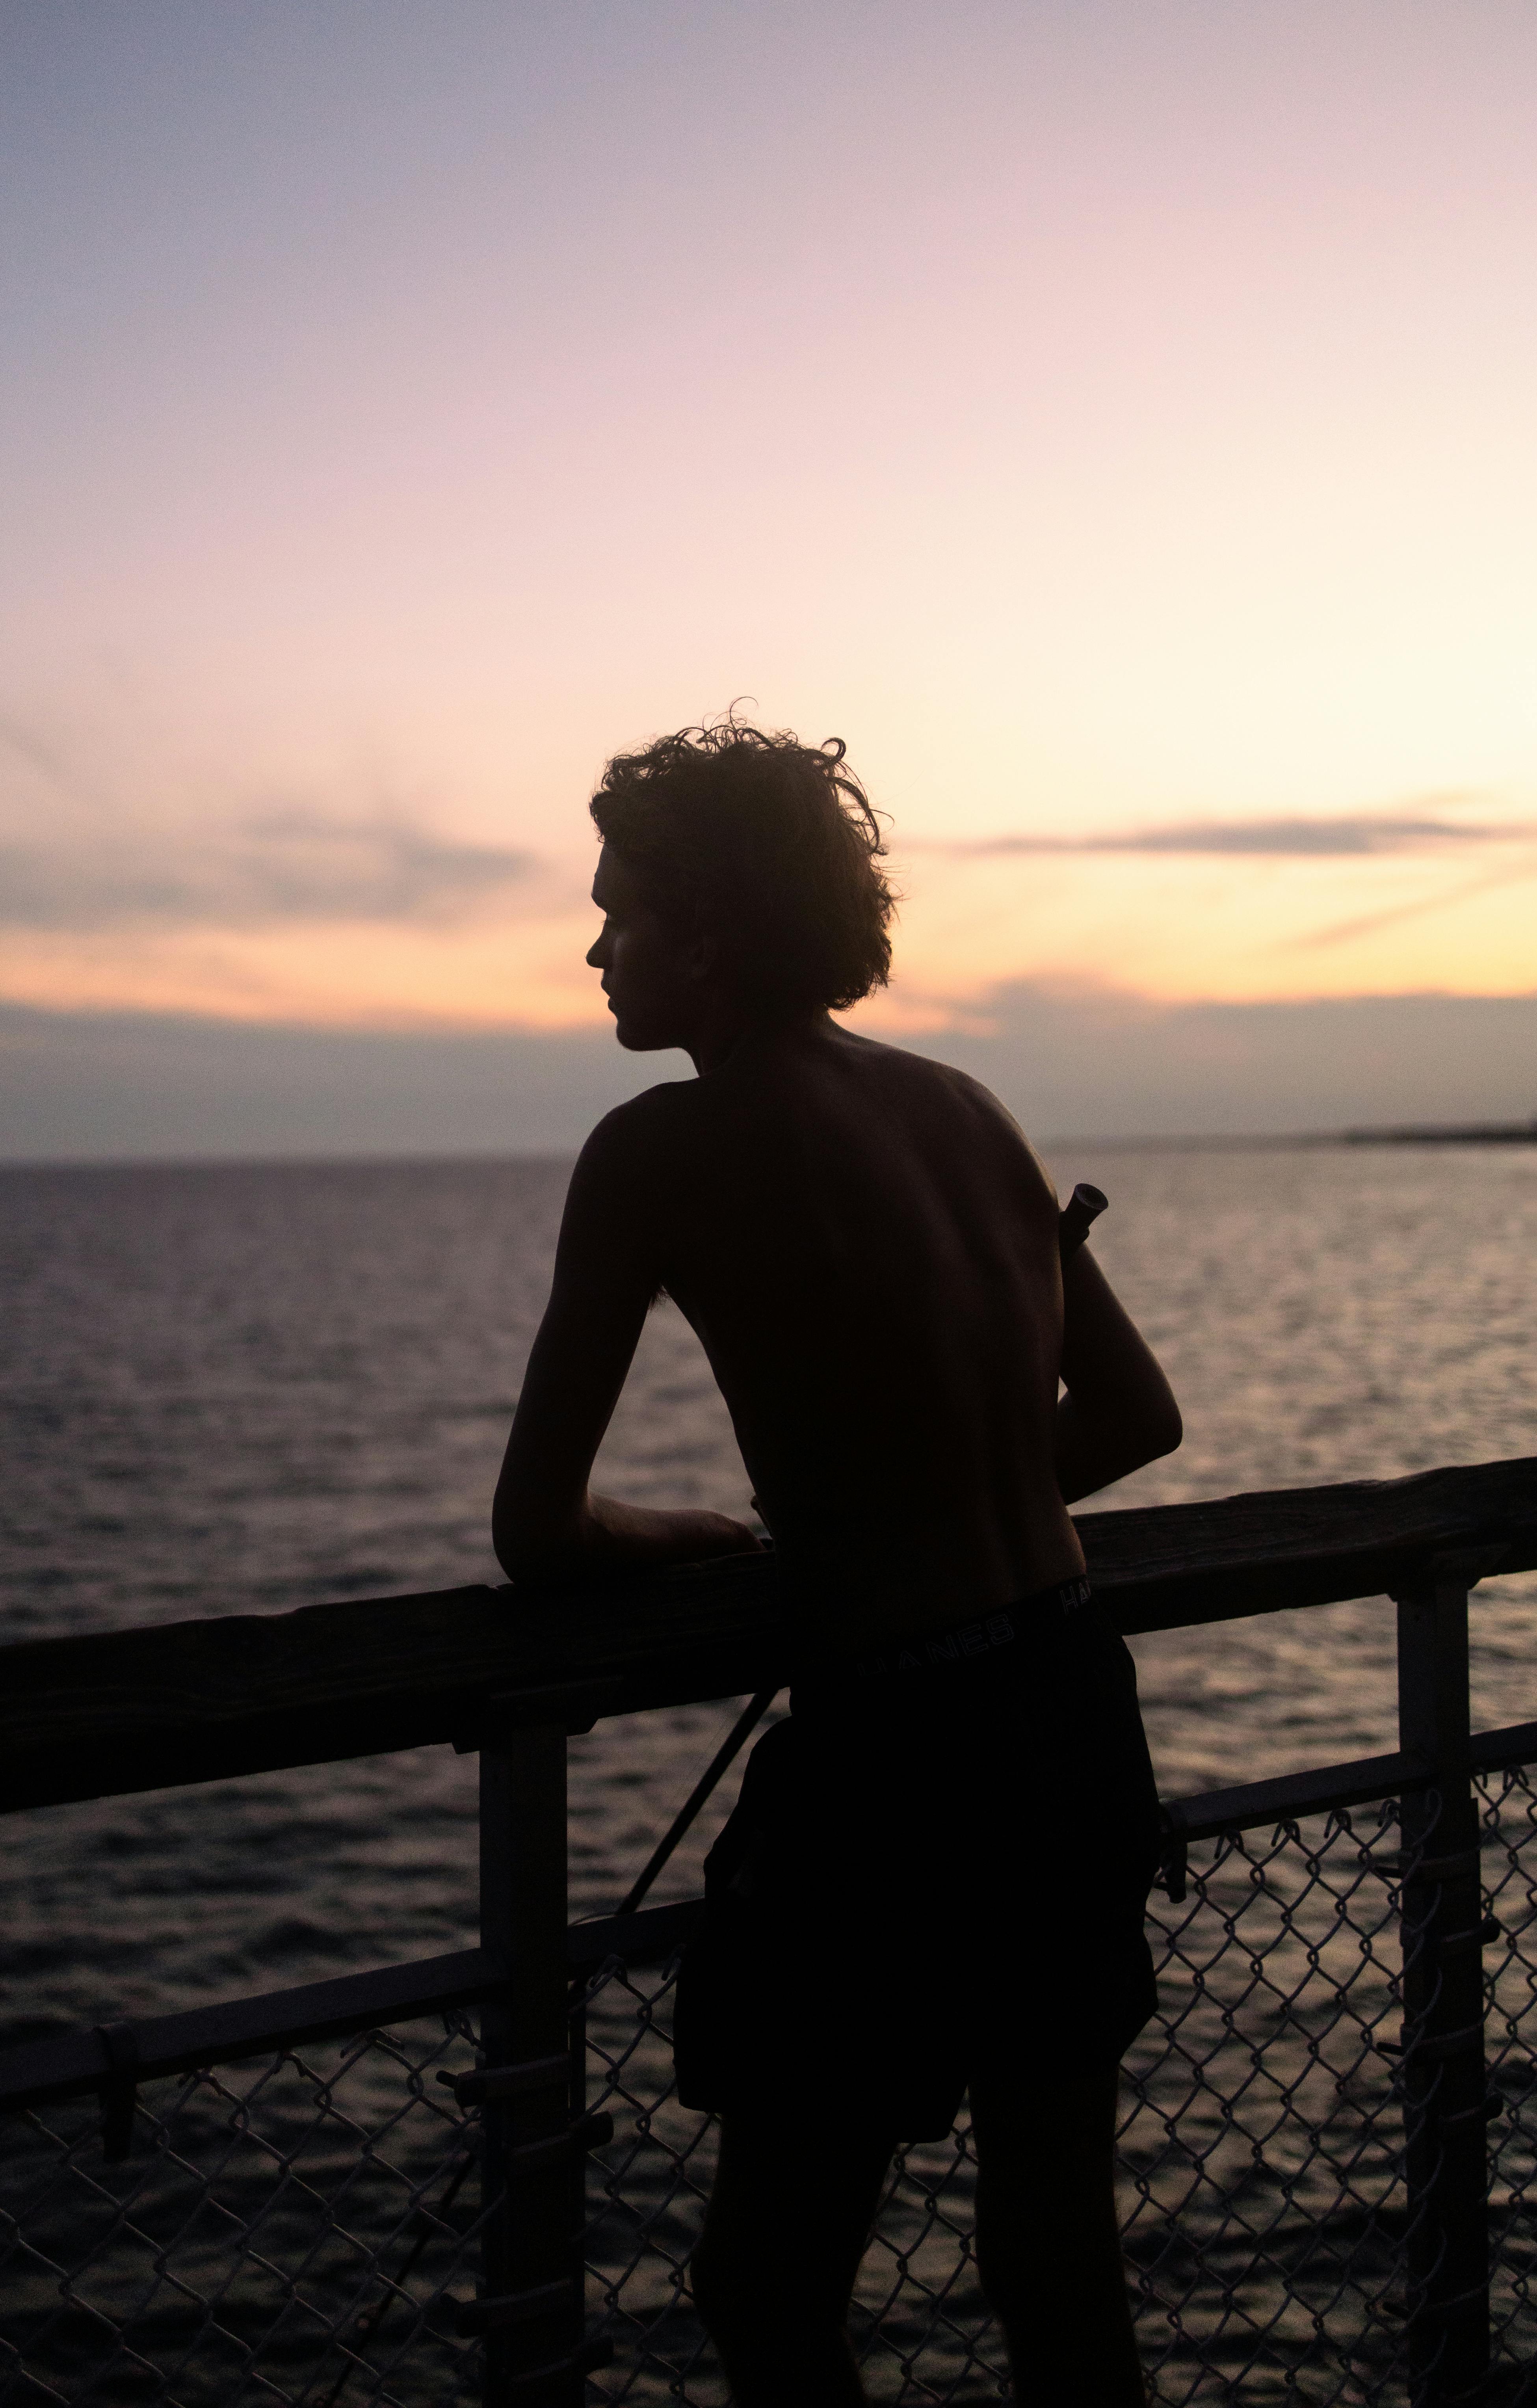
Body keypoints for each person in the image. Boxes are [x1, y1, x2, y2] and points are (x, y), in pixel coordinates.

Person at [493, 716, 1182, 2407]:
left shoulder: (651, 1151)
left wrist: (718, 1531)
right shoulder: (964, 1105)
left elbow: (538, 1527)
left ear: (705, 937)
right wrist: (934, 1491)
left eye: (619, 911)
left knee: (763, 2280)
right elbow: (1135, 1414)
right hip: (1067, 1701)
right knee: (1053, 2254)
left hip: (892, 1761)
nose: (593, 948)